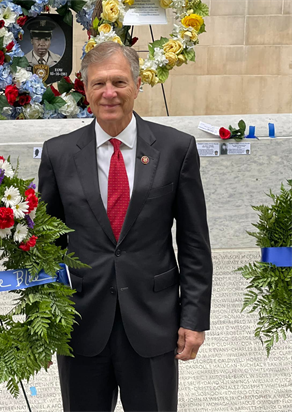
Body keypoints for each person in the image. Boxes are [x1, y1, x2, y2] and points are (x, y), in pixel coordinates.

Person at [39, 42, 213, 412]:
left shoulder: (176, 149)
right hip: (81, 324)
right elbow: (46, 245)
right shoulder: (58, 154)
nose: (109, 93)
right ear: (85, 90)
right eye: (99, 83)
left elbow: (194, 242)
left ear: (137, 85)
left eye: (119, 82)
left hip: (153, 323)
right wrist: (43, 320)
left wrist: (194, 318)